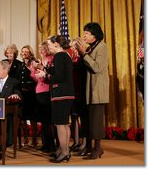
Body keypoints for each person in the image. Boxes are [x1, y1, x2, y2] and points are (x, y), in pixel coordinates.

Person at [36, 35, 75, 163]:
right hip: (66, 93)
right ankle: (64, 150)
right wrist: (44, 69)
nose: (48, 47)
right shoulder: (64, 56)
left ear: (57, 44)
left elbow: (58, 76)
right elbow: (58, 72)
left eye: (49, 45)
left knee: (60, 124)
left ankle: (64, 152)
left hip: (61, 94)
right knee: (64, 123)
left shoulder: (59, 56)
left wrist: (45, 75)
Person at [75, 22, 109, 160]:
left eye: (87, 33)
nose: (84, 36)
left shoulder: (102, 47)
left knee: (96, 120)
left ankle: (98, 148)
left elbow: (97, 67)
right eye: (84, 33)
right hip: (87, 90)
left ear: (95, 35)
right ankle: (88, 146)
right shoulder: (90, 48)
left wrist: (84, 54)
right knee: (87, 119)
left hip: (97, 91)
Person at [30, 41, 56, 153]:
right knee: (43, 121)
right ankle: (45, 144)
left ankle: (52, 145)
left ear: (48, 50)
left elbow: (50, 76)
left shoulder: (51, 60)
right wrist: (33, 69)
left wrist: (42, 68)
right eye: (40, 49)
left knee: (48, 120)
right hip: (39, 91)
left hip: (46, 92)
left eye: (43, 49)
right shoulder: (41, 60)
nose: (41, 51)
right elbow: (37, 78)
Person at [16, 45, 38, 147]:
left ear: (30, 53)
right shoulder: (20, 64)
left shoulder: (34, 63)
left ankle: (34, 139)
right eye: (23, 51)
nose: (24, 53)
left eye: (26, 51)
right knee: (23, 117)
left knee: (33, 117)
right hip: (22, 94)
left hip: (31, 93)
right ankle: (25, 139)